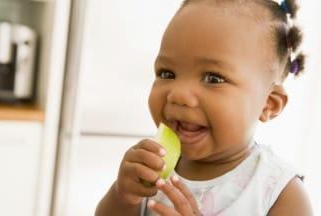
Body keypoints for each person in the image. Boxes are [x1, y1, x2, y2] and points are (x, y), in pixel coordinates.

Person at [95, 0, 313, 215]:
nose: (178, 94)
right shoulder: (152, 165)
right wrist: (122, 196)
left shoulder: (280, 193)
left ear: (269, 103)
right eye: (166, 73)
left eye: (213, 78)